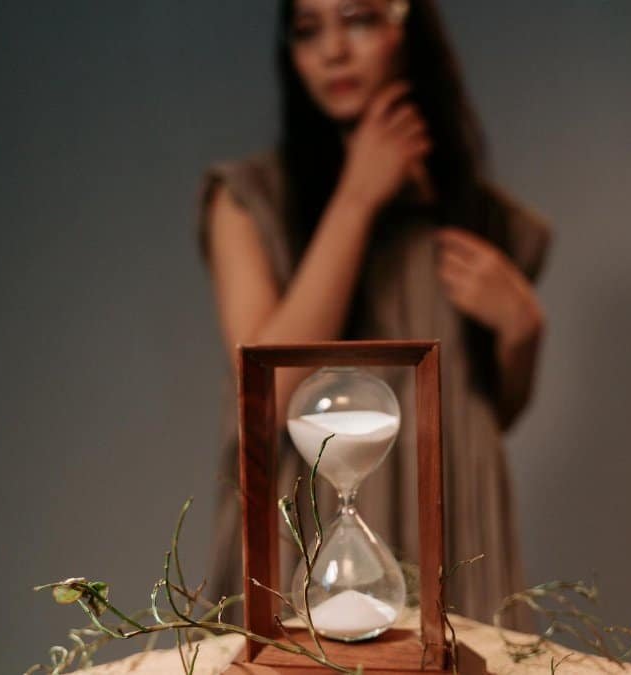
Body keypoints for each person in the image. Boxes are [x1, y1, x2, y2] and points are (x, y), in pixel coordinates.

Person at [196, 0, 549, 631]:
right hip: (309, 527)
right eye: (308, 30)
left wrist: (524, 330)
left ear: (407, 31)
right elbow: (267, 392)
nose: (333, 50)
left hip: (454, 520)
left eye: (357, 19)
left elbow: (489, 414)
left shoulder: (473, 212)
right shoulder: (249, 201)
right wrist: (357, 198)